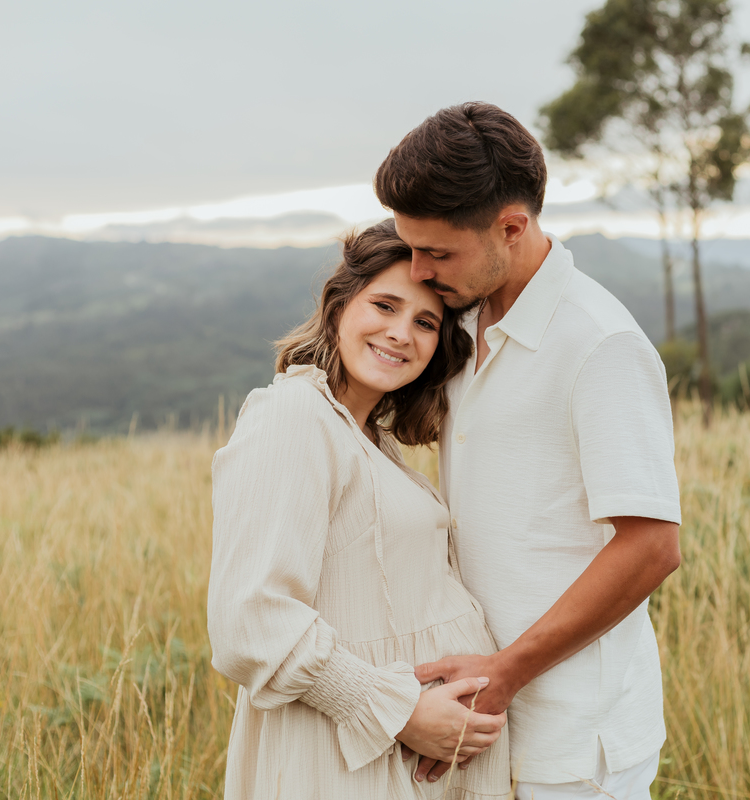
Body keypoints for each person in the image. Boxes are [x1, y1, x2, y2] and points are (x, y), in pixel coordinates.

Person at [374, 102, 683, 800]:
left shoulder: (601, 344)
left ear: (511, 227)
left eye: (438, 252)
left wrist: (506, 671)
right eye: (411, 246)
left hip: (576, 743)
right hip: (484, 724)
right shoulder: (462, 322)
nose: (418, 271)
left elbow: (652, 546)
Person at [208, 219, 512, 799]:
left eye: (425, 322)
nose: (401, 333)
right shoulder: (294, 416)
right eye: (385, 305)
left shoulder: (372, 437)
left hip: (402, 755)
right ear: (340, 306)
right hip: (347, 754)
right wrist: (400, 713)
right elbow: (248, 619)